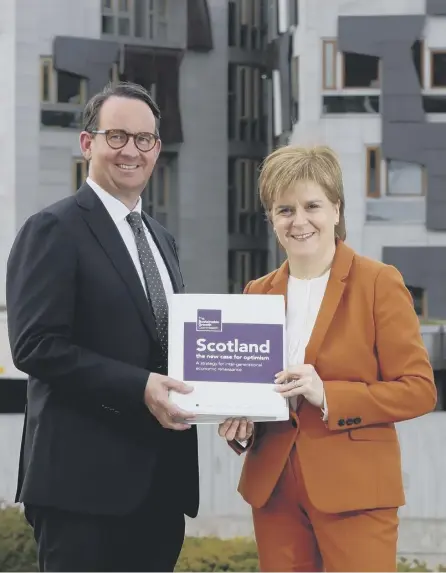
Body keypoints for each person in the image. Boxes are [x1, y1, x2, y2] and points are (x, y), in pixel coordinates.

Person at [6, 81, 199, 573]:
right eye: (116, 136)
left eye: (144, 139)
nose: (130, 150)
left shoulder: (163, 240)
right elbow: (35, 345)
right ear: (87, 143)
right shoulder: (53, 228)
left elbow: (167, 347)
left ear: (157, 149)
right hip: (81, 489)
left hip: (160, 486)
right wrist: (140, 387)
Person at [218, 145, 437, 572]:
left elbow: (419, 391)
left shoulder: (379, 283)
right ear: (272, 220)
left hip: (357, 491)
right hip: (274, 489)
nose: (299, 220)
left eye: (312, 205)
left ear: (336, 210)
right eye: (285, 210)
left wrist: (327, 393)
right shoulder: (256, 292)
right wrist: (238, 425)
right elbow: (249, 394)